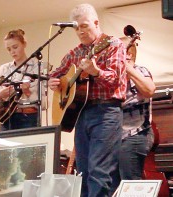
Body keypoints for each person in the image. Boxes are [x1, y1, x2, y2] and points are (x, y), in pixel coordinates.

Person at [48, 4, 127, 197]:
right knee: (83, 171)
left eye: (84, 26)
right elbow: (56, 74)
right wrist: (54, 81)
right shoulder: (74, 53)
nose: (80, 31)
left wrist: (96, 72)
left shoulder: (113, 44)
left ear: (96, 22)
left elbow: (116, 79)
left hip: (106, 112)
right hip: (81, 114)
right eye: (76, 27)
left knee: (100, 172)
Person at [0, 29, 46, 131]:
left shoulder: (37, 66)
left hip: (29, 117)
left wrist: (27, 92)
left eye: (15, 47)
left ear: (24, 44)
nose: (12, 52)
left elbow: (43, 103)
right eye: (9, 49)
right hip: (7, 117)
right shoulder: (4, 68)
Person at [118, 36, 155, 181]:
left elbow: (149, 89)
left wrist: (127, 68)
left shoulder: (140, 71)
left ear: (128, 54)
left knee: (130, 183)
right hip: (118, 138)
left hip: (136, 134)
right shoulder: (113, 76)